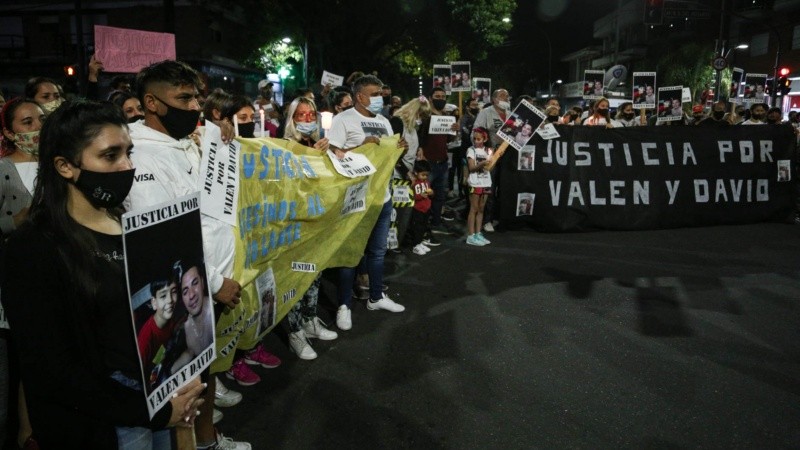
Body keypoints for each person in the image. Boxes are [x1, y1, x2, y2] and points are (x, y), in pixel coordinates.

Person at [1, 99, 205, 449]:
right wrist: (149, 412)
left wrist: (182, 368)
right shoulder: (33, 249)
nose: (127, 166)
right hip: (107, 420)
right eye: (110, 155)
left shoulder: (135, 224)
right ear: (65, 166)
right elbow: (53, 370)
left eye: (129, 152)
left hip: (158, 392)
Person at [124, 60, 251, 450]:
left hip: (209, 284)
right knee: (183, 381)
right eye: (183, 98)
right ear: (151, 103)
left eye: (196, 96)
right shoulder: (141, 156)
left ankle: (208, 440)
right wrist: (213, 281)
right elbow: (161, 237)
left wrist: (218, 133)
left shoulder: (189, 140)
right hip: (193, 288)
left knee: (203, 372)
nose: (195, 106)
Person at [328, 74, 407, 331]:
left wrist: (399, 149)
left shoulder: (384, 121)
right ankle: (344, 305)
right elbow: (333, 155)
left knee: (377, 252)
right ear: (360, 96)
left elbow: (387, 159)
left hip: (381, 198)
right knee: (350, 254)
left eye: (381, 94)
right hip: (355, 200)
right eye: (375, 94)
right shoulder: (343, 120)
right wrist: (360, 146)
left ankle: (375, 296)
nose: (380, 98)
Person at [281, 97, 338, 360]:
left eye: (311, 114)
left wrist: (326, 155)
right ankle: (294, 333)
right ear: (291, 119)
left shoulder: (316, 143)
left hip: (316, 218)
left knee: (314, 273)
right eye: (300, 115)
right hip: (294, 221)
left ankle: (310, 320)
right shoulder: (284, 146)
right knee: (295, 277)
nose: (307, 119)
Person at [417, 87, 458, 237]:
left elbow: (449, 140)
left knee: (440, 196)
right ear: (430, 98)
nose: (440, 98)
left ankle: (435, 224)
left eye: (443, 96)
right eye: (437, 96)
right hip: (428, 164)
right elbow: (419, 137)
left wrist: (455, 130)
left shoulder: (447, 117)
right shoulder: (426, 117)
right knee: (424, 196)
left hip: (443, 162)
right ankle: (421, 227)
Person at [465, 127, 492, 246]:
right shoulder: (471, 150)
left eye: (479, 139)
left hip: (486, 182)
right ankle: (470, 235)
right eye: (474, 139)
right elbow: (471, 168)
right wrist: (481, 164)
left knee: (481, 209)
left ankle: (478, 233)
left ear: (485, 139)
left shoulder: (488, 150)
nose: (476, 141)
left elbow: (490, 168)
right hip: (475, 182)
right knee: (474, 209)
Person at [409, 160, 433, 255]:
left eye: (426, 175)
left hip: (426, 208)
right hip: (418, 209)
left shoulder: (426, 182)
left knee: (423, 227)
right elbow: (411, 197)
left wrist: (432, 192)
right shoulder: (414, 183)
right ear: (416, 173)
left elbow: (431, 192)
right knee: (417, 228)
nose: (425, 177)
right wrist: (420, 196)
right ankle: (416, 245)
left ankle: (420, 242)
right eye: (423, 175)